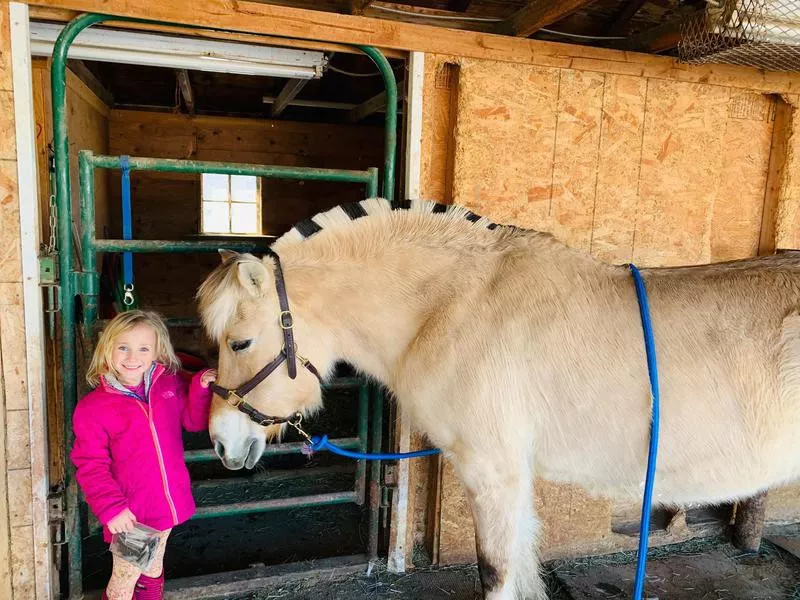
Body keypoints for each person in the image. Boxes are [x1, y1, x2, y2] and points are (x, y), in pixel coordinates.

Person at [71, 310, 217, 600]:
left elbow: (193, 422)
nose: (132, 357)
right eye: (122, 347)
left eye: (143, 348)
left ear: (157, 352)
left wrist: (200, 389)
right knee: (124, 581)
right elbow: (90, 464)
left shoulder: (169, 385)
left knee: (152, 569)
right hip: (132, 515)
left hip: (167, 504)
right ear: (107, 349)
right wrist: (111, 507)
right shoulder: (93, 408)